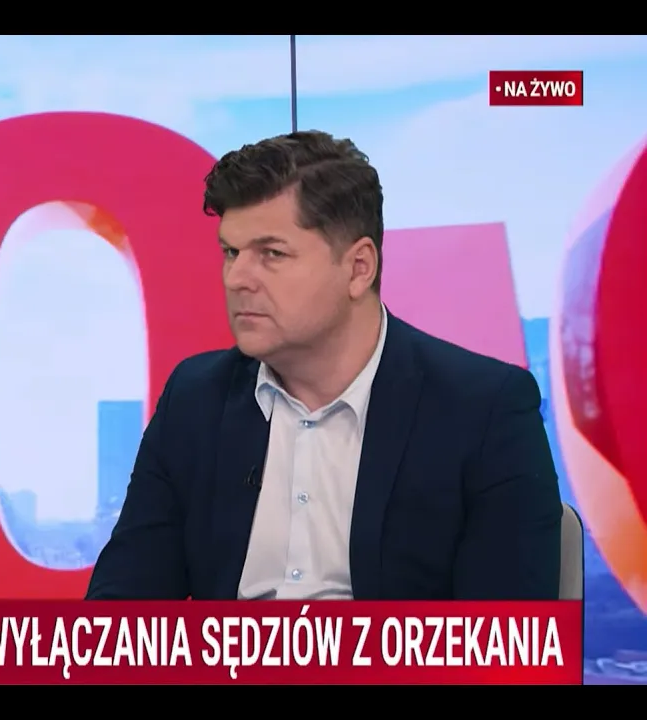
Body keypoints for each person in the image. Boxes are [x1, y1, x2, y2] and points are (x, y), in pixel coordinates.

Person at [86, 130, 562, 601]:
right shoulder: (195, 400)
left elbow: (505, 636)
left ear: (358, 268)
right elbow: (120, 609)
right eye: (231, 252)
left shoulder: (481, 410)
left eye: (272, 254)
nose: (236, 278)